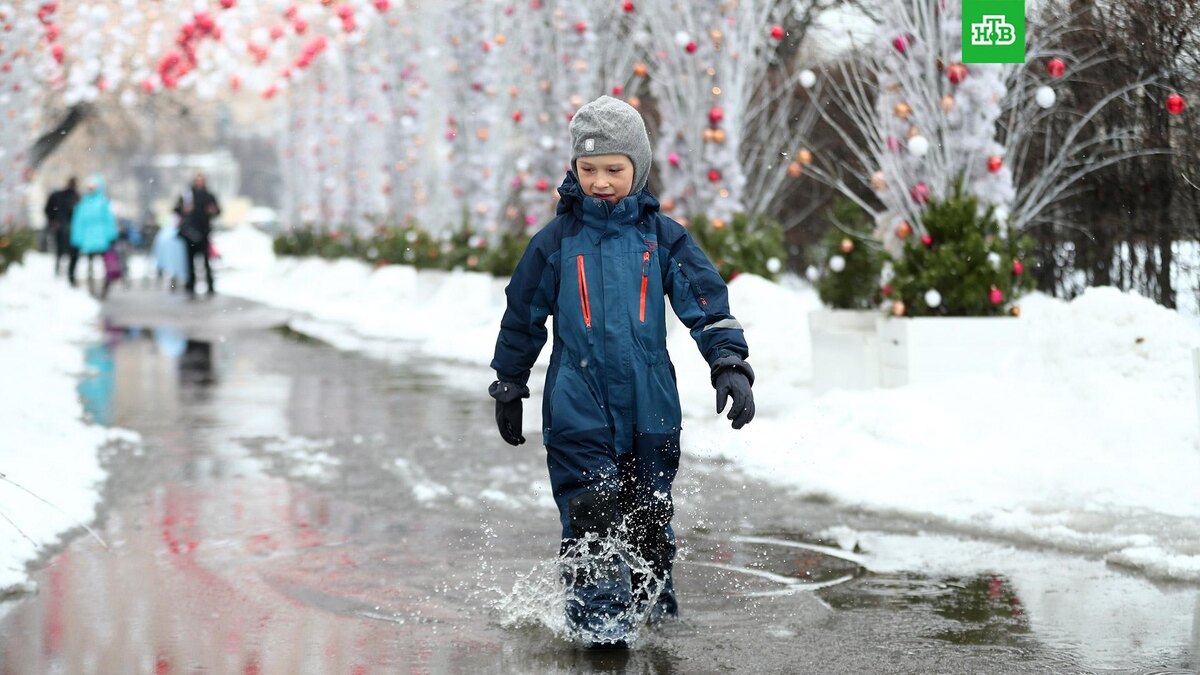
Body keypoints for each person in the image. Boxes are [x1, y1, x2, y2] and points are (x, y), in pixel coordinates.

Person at [488, 96, 755, 648]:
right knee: (591, 516)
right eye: (588, 169)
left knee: (648, 521)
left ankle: (652, 611)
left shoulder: (663, 238)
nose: (601, 181)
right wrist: (510, 381)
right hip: (577, 406)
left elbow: (707, 303)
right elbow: (522, 315)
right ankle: (600, 630)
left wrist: (728, 362)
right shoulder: (557, 242)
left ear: (639, 167)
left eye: (614, 168)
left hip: (650, 406)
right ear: (574, 169)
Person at [68, 175, 119, 299]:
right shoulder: (83, 204)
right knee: (90, 265)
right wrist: (77, 239)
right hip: (88, 239)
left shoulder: (103, 203)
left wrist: (111, 236)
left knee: (107, 264)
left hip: (102, 239)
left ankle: (105, 288)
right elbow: (78, 222)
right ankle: (91, 289)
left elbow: (108, 221)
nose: (91, 189)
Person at [174, 173, 221, 297]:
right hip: (189, 233)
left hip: (204, 233)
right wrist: (184, 209)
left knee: (206, 261)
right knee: (190, 262)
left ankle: (210, 286)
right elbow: (176, 209)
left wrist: (212, 210)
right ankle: (190, 285)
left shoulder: (209, 196)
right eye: (198, 180)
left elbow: (217, 211)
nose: (200, 183)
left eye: (202, 180)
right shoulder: (187, 196)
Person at [44, 177, 79, 276]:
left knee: (65, 251)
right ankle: (64, 271)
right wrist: (53, 221)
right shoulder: (69, 197)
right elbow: (49, 209)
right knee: (64, 251)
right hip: (64, 228)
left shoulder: (74, 197)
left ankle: (66, 272)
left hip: (67, 228)